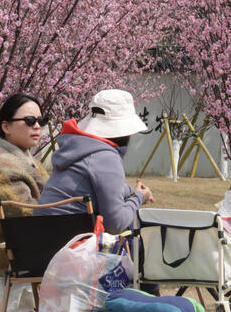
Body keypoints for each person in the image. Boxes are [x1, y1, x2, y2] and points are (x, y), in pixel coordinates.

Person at [38, 88, 155, 232]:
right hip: (70, 245)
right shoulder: (106, 157)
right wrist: (138, 198)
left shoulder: (77, 149)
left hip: (41, 237)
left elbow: (96, 186)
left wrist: (131, 191)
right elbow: (115, 224)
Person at [0, 93, 50, 276]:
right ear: (6, 126)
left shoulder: (23, 158)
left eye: (41, 120)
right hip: (16, 259)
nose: (37, 126)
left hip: (29, 253)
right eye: (29, 120)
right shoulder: (2, 166)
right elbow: (27, 216)